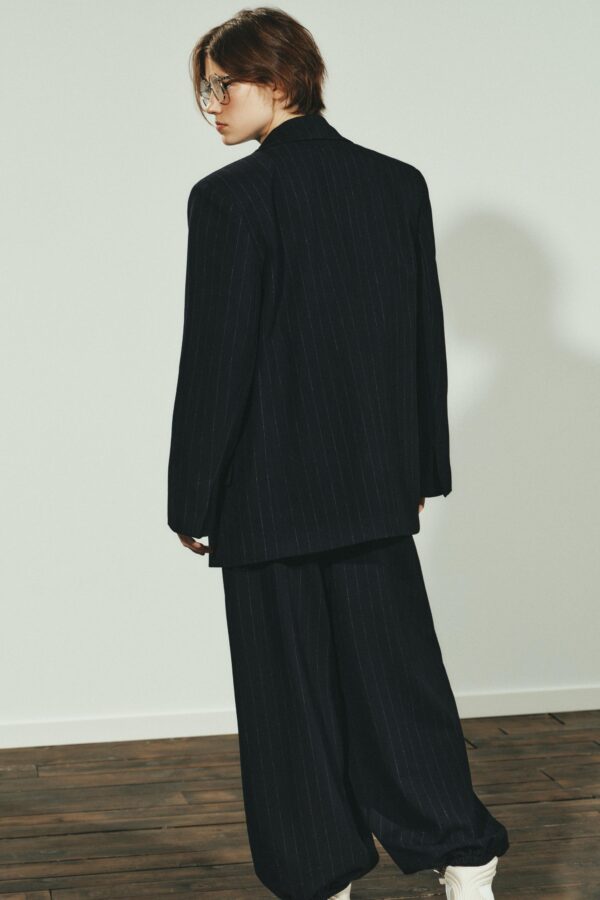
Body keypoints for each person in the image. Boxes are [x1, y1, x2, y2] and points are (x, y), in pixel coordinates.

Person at [167, 8, 510, 900]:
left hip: (264, 491)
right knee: (398, 681)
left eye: (223, 85)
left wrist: (191, 496)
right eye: (206, 89)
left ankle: (319, 877)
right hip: (370, 484)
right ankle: (465, 855)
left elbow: (218, 359)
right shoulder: (396, 184)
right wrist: (420, 469)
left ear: (280, 79)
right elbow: (421, 339)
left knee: (290, 702)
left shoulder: (231, 197)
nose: (211, 105)